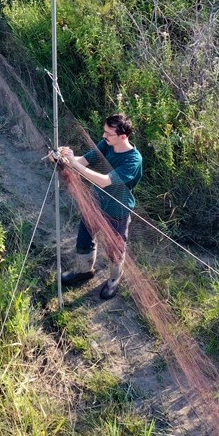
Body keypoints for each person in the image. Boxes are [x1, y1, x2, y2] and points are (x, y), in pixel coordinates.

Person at [56, 113, 143, 300]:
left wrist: (74, 164)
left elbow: (104, 181)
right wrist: (62, 158)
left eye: (108, 134)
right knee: (84, 238)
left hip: (117, 210)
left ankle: (114, 279)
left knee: (115, 249)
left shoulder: (133, 160)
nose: (104, 136)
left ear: (123, 136)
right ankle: (84, 271)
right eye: (104, 132)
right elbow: (82, 161)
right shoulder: (106, 145)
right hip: (95, 202)